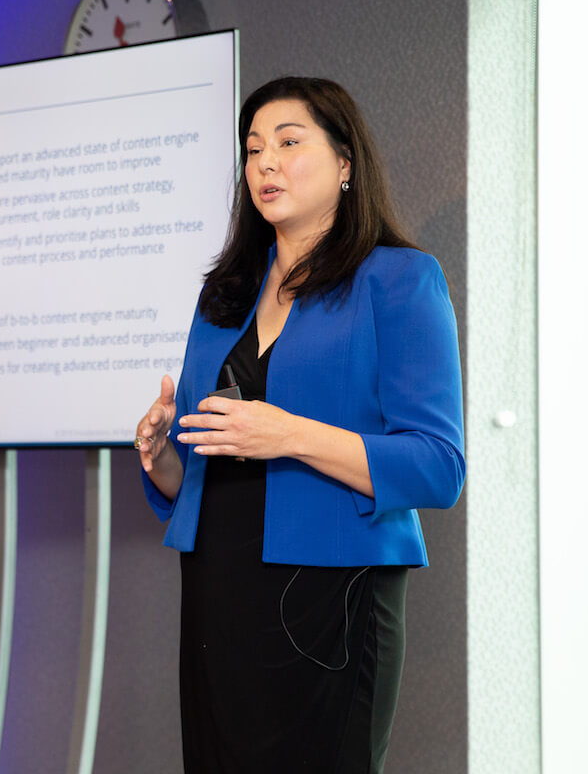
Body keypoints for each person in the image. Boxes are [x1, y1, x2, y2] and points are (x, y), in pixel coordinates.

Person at [133, 77, 465, 773]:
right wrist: (162, 455)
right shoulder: (221, 295)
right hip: (219, 589)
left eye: (289, 142)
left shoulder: (399, 280)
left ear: (346, 163)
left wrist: (288, 436)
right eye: (253, 150)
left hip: (333, 597)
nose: (266, 164)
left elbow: (437, 466)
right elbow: (201, 464)